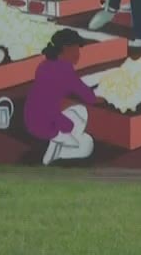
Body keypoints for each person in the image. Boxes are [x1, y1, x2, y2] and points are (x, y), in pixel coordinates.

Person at [25, 28, 99, 165]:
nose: (78, 54)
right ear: (65, 49)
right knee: (87, 144)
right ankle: (53, 152)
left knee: (80, 112)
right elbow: (87, 95)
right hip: (47, 124)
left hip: (31, 120)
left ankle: (56, 146)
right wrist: (66, 125)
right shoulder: (65, 70)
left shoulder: (44, 65)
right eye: (76, 50)